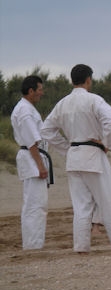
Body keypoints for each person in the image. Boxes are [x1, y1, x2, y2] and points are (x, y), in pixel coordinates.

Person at [41, 64, 111, 253]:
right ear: (88, 79)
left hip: (74, 158)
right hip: (92, 156)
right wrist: (105, 143)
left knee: (81, 206)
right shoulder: (93, 100)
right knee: (107, 201)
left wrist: (67, 147)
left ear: (72, 80)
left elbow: (46, 130)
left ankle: (81, 246)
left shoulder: (62, 104)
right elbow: (110, 120)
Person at [11, 75, 50, 249]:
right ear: (31, 90)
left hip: (32, 157)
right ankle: (33, 245)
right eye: (40, 89)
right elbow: (31, 141)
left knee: (34, 203)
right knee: (35, 204)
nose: (42, 93)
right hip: (32, 158)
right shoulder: (25, 111)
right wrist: (40, 166)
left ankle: (33, 243)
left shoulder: (26, 108)